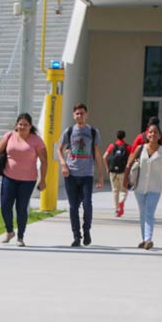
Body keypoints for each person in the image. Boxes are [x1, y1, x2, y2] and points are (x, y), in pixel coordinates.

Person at [0, 113, 47, 246]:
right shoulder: (9, 136)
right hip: (9, 177)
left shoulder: (36, 140)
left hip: (28, 180)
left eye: (25, 124)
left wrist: (43, 179)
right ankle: (10, 231)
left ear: (30, 126)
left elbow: (44, 160)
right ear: (16, 124)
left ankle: (20, 236)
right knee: (5, 206)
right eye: (20, 124)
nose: (22, 127)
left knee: (21, 208)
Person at [57, 103, 105, 247]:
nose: (79, 116)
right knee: (73, 207)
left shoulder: (93, 132)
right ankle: (76, 236)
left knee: (87, 204)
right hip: (71, 174)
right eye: (77, 113)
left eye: (82, 113)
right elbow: (59, 150)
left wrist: (101, 175)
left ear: (87, 114)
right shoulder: (69, 131)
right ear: (73, 115)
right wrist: (63, 164)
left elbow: (97, 153)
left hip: (87, 174)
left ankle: (87, 230)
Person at [124, 122, 162, 250]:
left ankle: (148, 239)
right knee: (143, 213)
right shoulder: (140, 148)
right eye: (150, 132)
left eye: (155, 132)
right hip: (139, 186)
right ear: (147, 135)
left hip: (155, 186)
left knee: (149, 212)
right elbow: (129, 164)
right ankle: (144, 239)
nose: (153, 134)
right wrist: (125, 179)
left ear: (160, 136)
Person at [103, 130, 130, 217]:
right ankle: (121, 202)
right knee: (124, 190)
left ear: (117, 137)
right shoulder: (128, 147)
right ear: (124, 137)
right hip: (123, 172)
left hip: (113, 172)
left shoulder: (112, 146)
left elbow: (104, 157)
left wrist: (107, 168)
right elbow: (131, 158)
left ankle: (116, 209)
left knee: (115, 191)